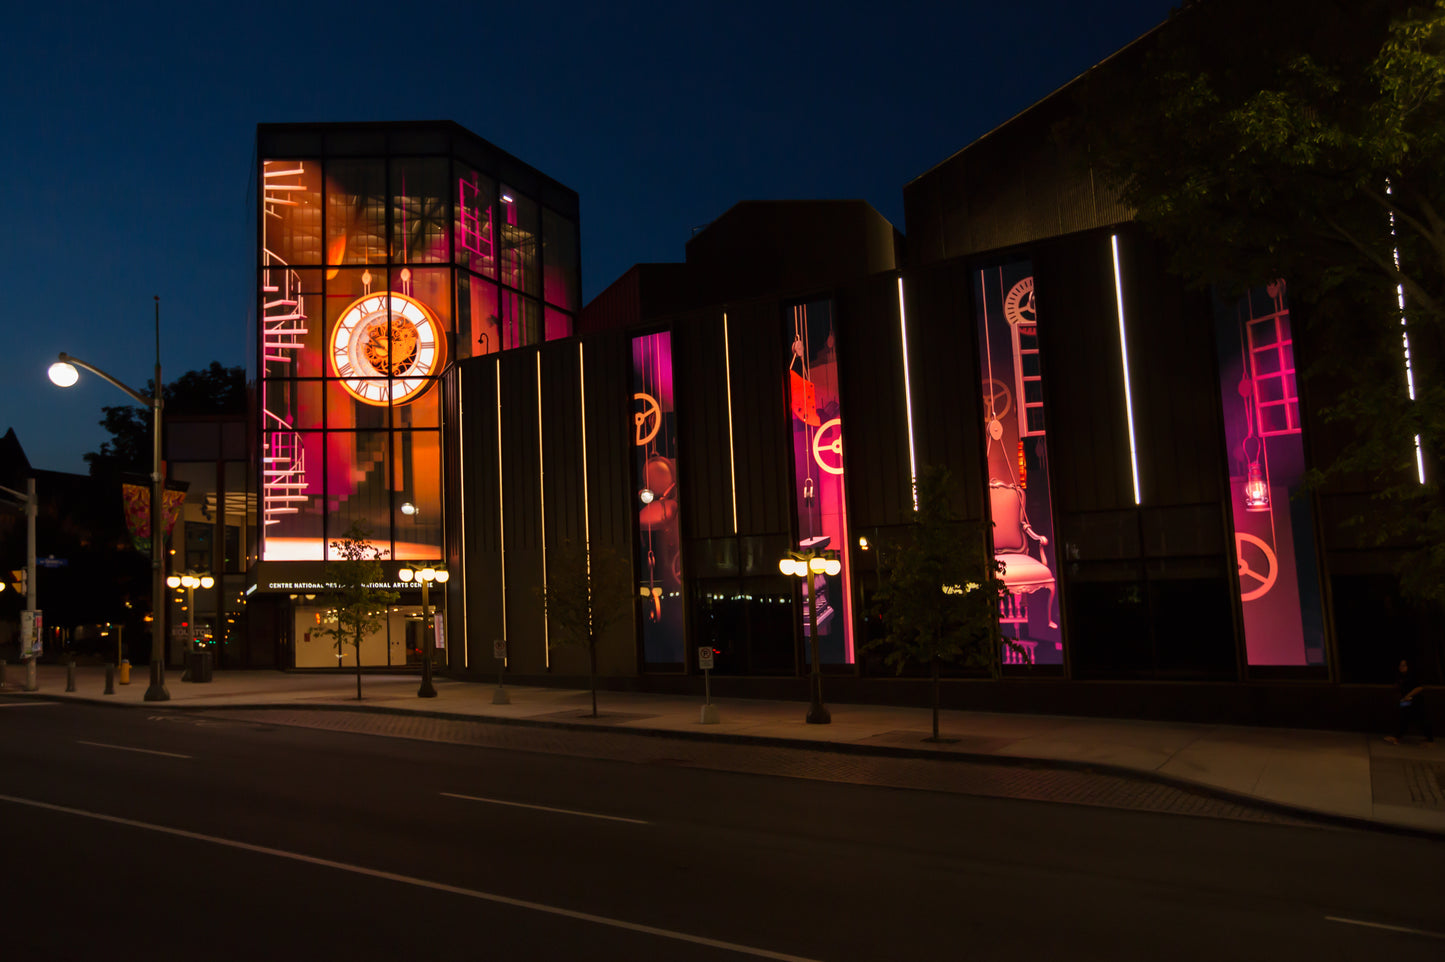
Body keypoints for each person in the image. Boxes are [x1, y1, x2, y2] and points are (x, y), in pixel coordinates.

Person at [1385, 658, 1433, 745]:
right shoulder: (1401, 677)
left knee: (1420, 718)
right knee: (1404, 717)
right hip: (1406, 701)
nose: (1401, 667)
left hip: (1415, 701)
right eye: (1400, 665)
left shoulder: (1412, 676)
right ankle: (1397, 736)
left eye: (1404, 665)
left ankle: (1429, 739)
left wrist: (1408, 695)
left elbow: (1419, 687)